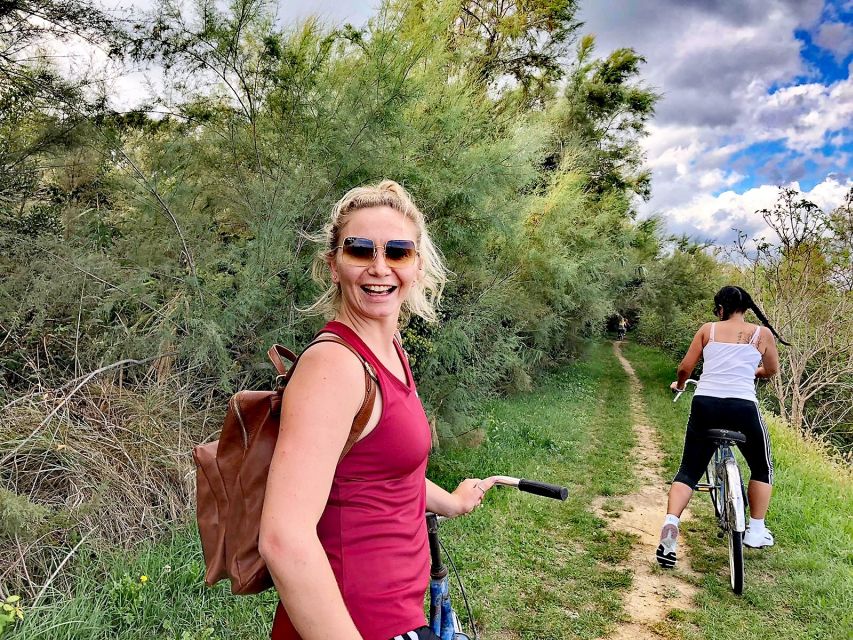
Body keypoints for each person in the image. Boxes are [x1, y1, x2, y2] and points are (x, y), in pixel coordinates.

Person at [258, 180, 493, 640]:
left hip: (399, 613)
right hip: (356, 622)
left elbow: (384, 472)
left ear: (417, 265)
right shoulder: (334, 366)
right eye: (360, 251)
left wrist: (454, 502)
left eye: (398, 253)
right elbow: (284, 538)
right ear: (334, 265)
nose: (379, 268)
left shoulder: (388, 350)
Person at [656, 285, 789, 569]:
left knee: (689, 469)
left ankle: (671, 524)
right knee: (762, 466)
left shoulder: (708, 330)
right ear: (747, 309)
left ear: (720, 309)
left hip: (706, 404)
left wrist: (680, 385)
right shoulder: (761, 334)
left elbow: (685, 368)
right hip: (742, 407)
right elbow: (772, 371)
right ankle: (755, 530)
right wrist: (751, 370)